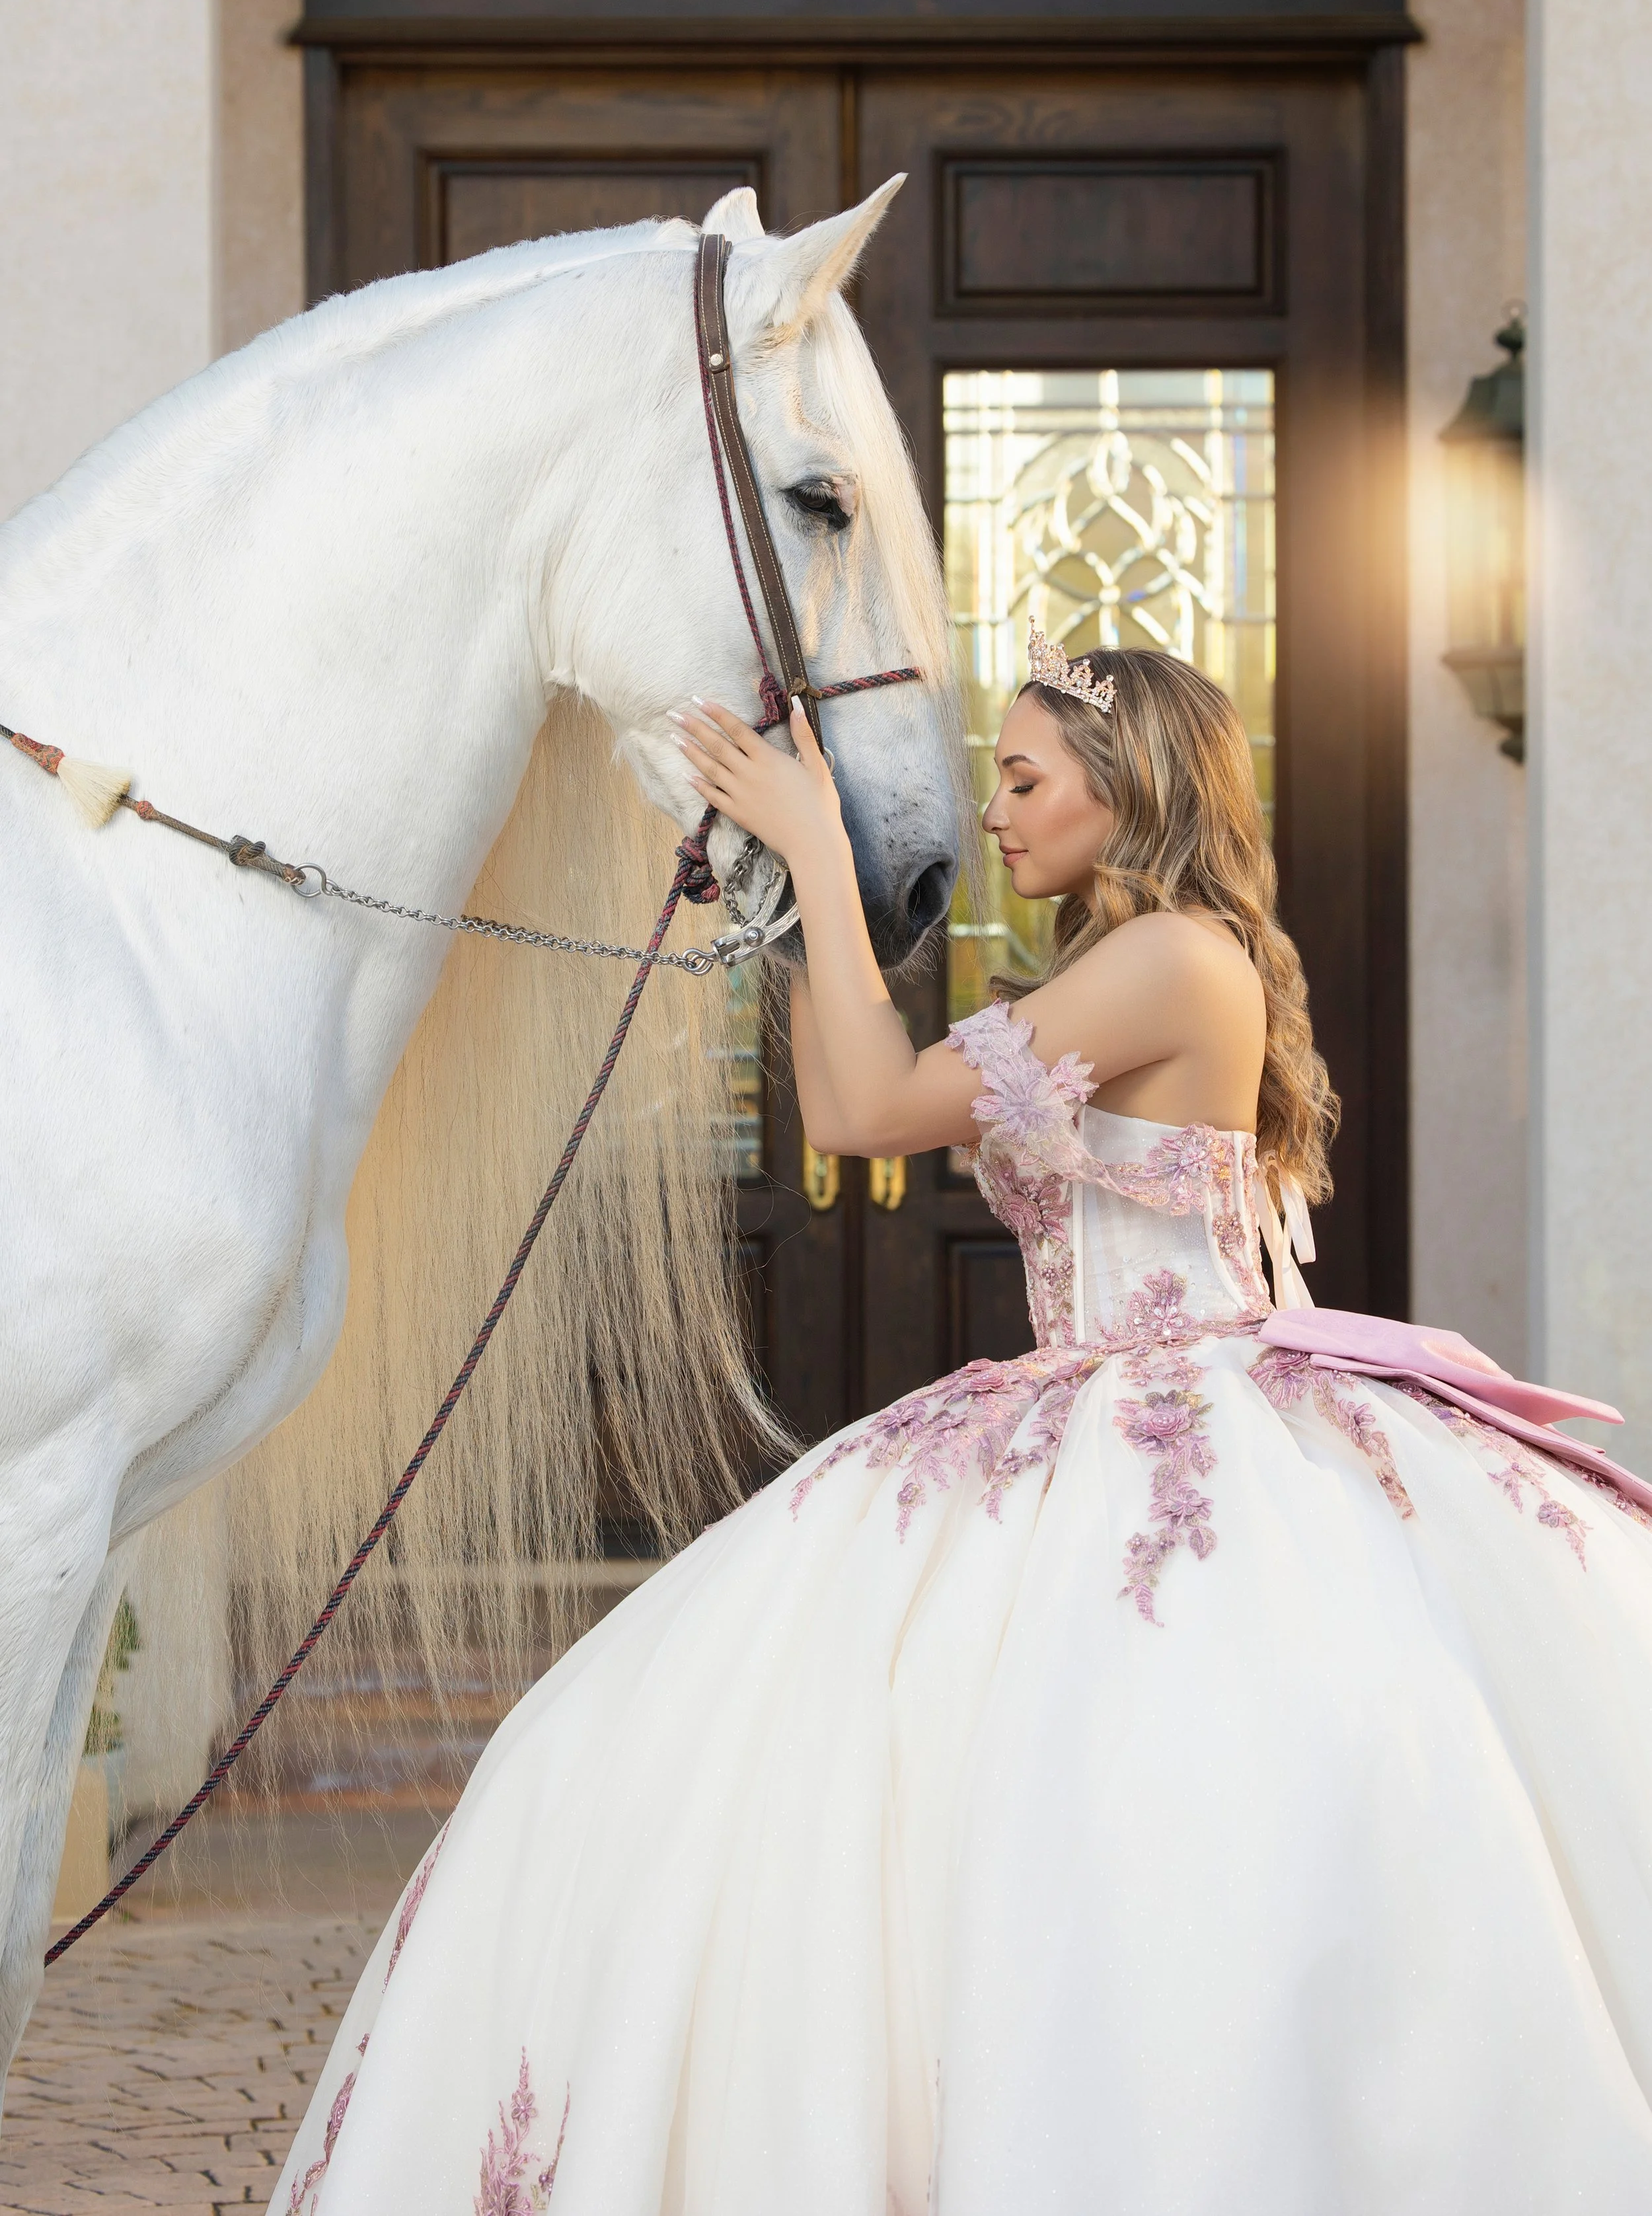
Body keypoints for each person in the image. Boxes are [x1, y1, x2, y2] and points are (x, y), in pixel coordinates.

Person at [273, 640, 1652, 2215]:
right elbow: (844, 1104)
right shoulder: (1126, 961)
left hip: (1164, 1411)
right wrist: (803, 899)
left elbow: (867, 1109)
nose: (995, 812)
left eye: (1022, 777)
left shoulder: (1170, 961)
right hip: (1088, 1397)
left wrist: (816, 849)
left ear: (1125, 792)